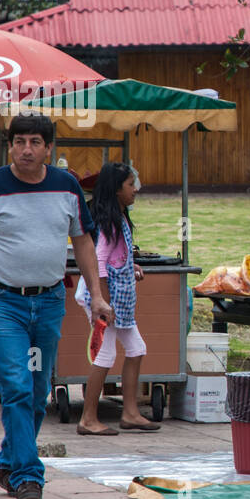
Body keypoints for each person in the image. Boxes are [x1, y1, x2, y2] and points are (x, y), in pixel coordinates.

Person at [0, 113, 112, 499]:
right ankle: (28, 476)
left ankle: (8, 460)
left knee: (38, 392)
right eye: (19, 141)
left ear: (48, 148)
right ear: (10, 145)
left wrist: (96, 294)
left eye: (35, 142)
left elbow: (84, 242)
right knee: (17, 387)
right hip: (4, 304)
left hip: (49, 302)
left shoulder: (67, 186)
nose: (27, 149)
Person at [76, 162, 159, 435]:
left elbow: (114, 257)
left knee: (136, 349)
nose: (136, 190)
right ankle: (88, 419)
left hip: (115, 302)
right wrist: (102, 302)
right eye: (130, 185)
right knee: (106, 354)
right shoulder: (110, 221)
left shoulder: (120, 218)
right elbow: (99, 262)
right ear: (116, 190)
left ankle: (131, 413)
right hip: (107, 301)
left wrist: (129, 265)